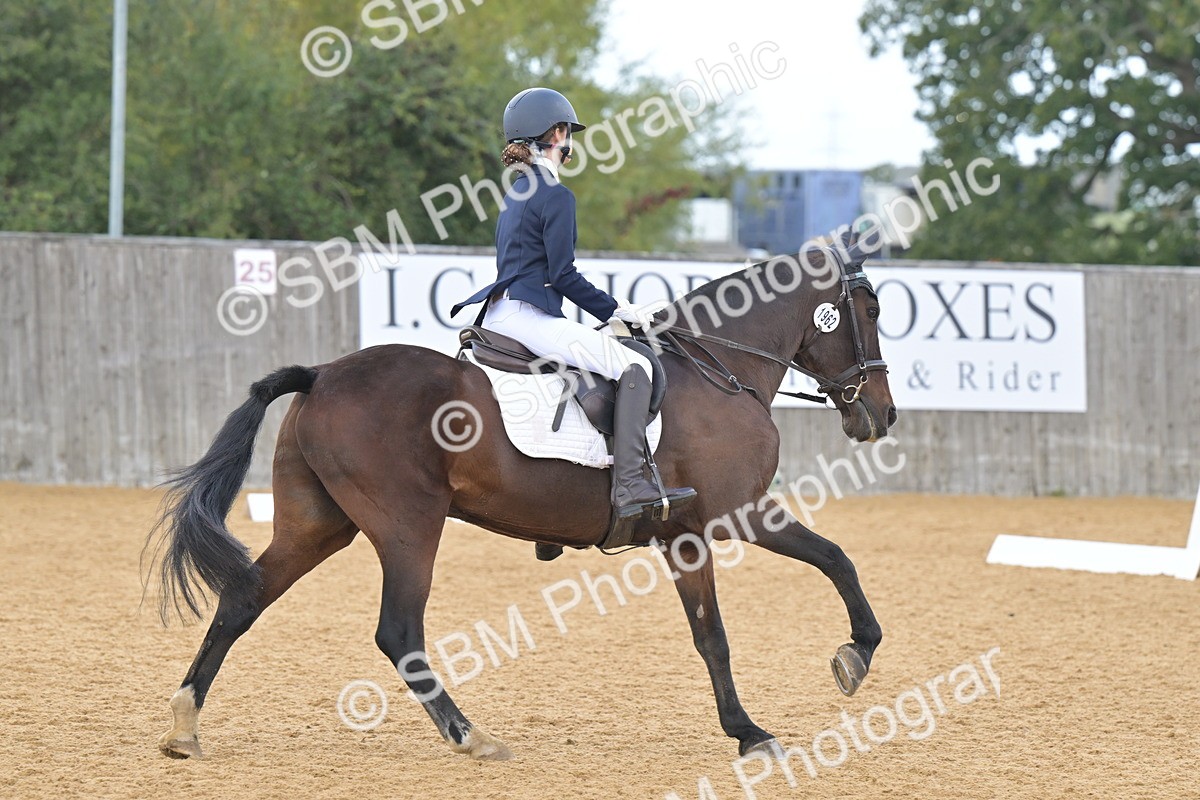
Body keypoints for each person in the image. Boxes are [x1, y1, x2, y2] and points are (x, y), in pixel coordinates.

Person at [452, 87, 696, 524]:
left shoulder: (517, 192)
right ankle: (631, 483)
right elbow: (563, 275)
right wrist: (618, 311)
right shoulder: (556, 196)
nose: (570, 145)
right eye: (568, 135)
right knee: (632, 368)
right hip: (530, 319)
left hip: (501, 313)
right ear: (557, 133)